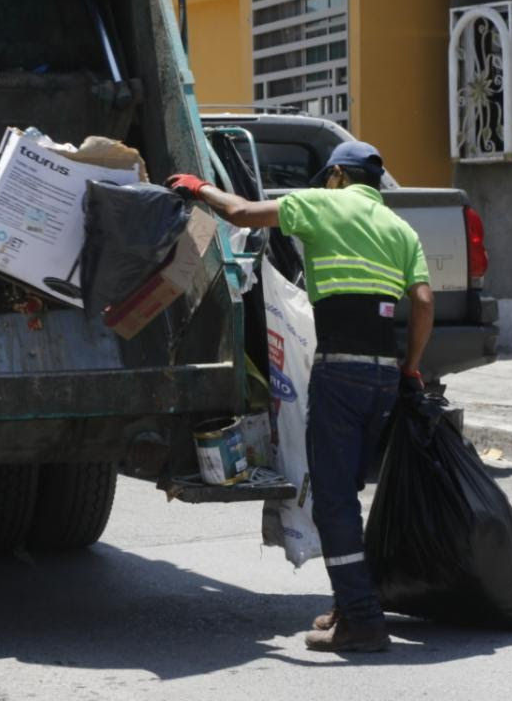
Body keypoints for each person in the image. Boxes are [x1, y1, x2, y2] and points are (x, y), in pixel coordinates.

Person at [167, 140, 433, 653]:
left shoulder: (321, 204)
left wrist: (199, 188)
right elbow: (422, 302)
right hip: (382, 377)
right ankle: (351, 599)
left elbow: (242, 213)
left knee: (332, 500)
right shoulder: (402, 230)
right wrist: (412, 368)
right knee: (345, 493)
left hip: (340, 373)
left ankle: (363, 621)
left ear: (336, 175)